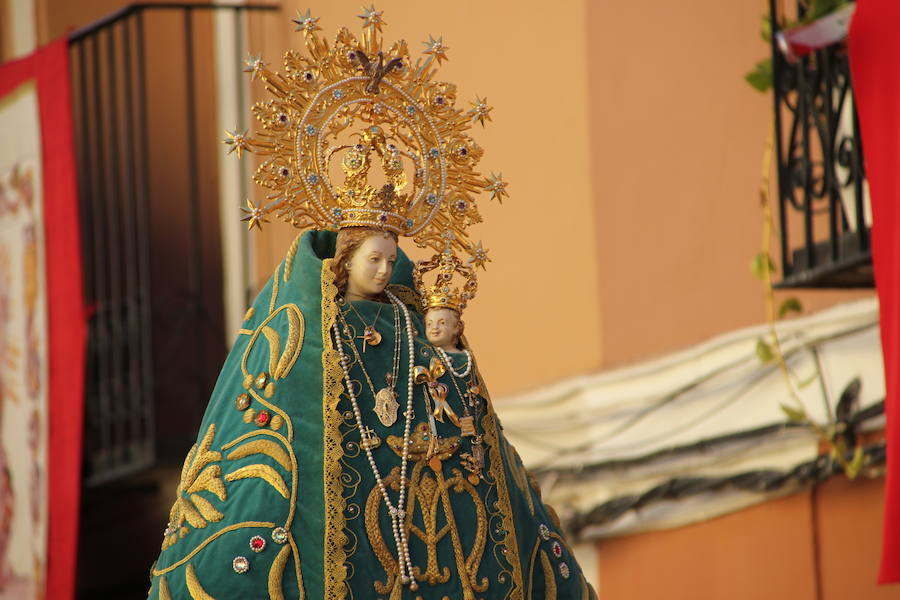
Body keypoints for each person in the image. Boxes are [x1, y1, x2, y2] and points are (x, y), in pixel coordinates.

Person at [148, 9, 596, 599]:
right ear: (346, 258)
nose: (385, 269)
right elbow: (286, 418)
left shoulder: (413, 321)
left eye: (391, 258)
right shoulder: (300, 330)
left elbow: (453, 397)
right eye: (373, 259)